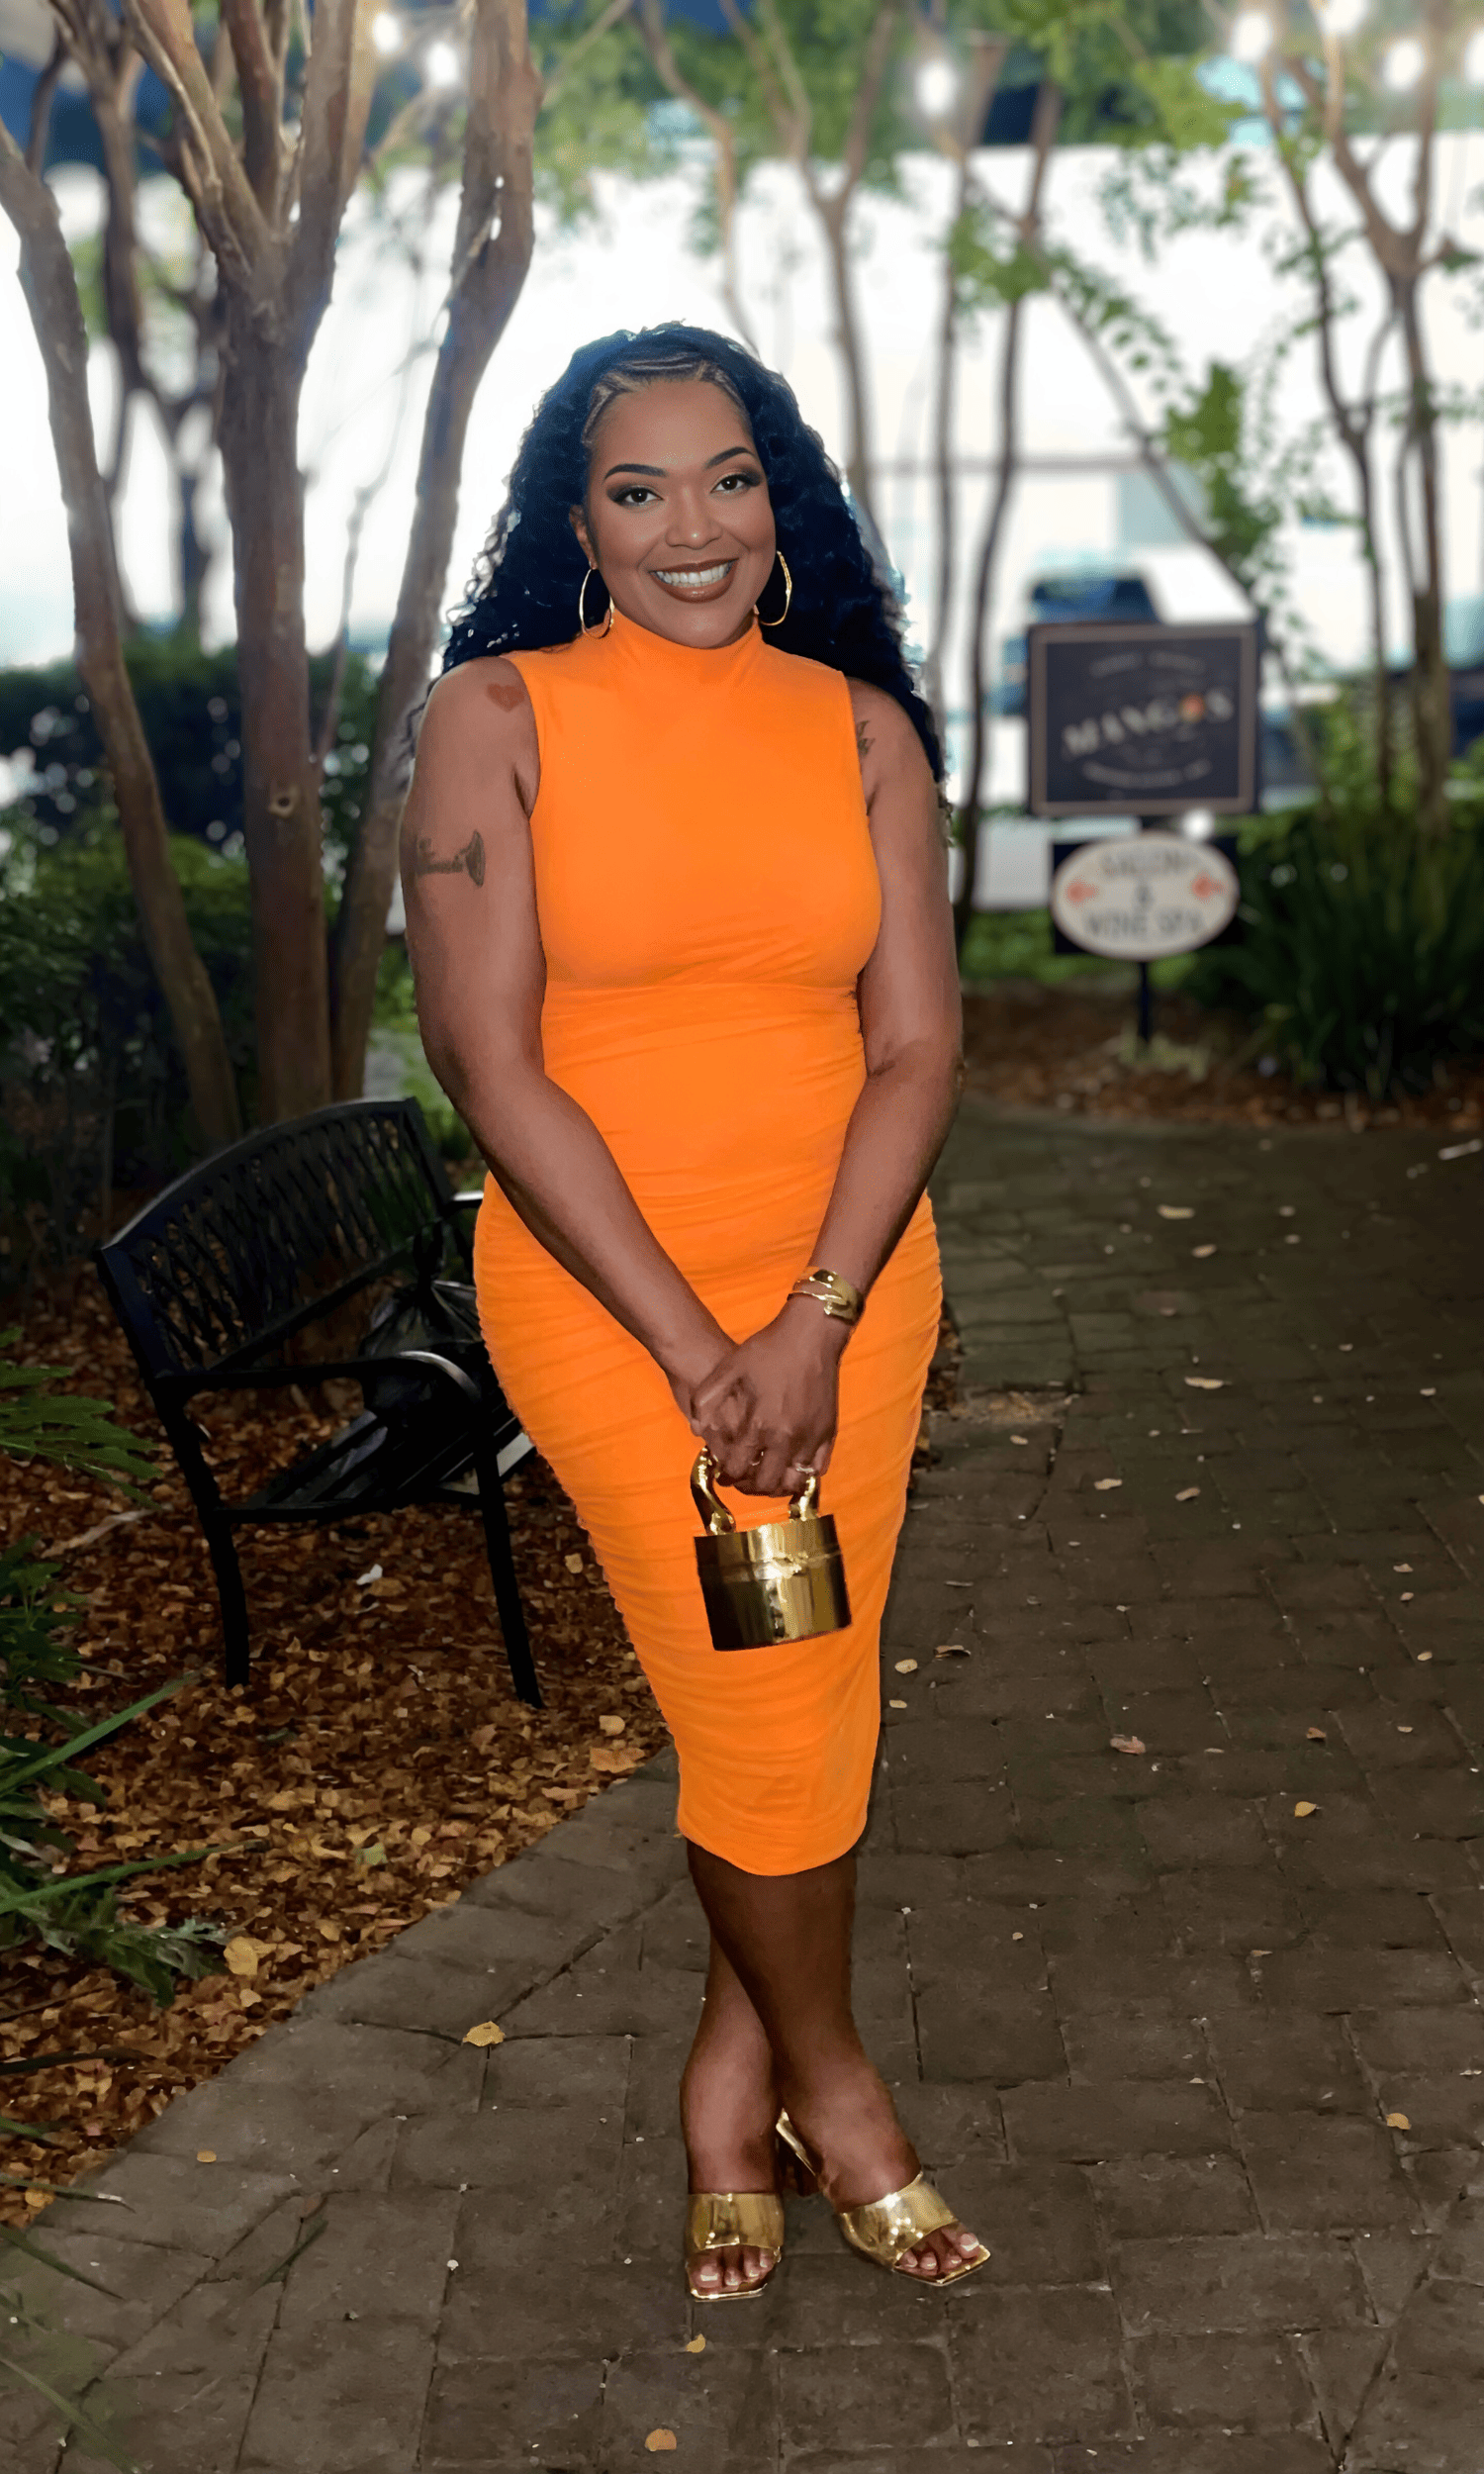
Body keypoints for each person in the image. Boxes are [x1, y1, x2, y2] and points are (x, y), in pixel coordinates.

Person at [404, 324, 984, 2301]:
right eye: (637, 487)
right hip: (605, 1296)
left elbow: (913, 1046)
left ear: (780, 495)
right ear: (575, 518)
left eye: (727, 477)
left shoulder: (859, 730)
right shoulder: (497, 715)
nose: (691, 526)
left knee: (800, 1686)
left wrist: (812, 1322)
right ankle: (841, 2089)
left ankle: (730, 2072)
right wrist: (696, 1346)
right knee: (761, 1686)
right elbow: (490, 1056)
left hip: (846, 1287)